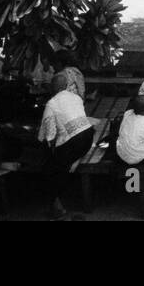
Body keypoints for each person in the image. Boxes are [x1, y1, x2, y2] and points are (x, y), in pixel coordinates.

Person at [39, 72, 99, 217]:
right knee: (62, 157)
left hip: (74, 144)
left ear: (52, 89)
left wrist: (46, 143)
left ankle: (56, 205)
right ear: (66, 86)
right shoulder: (76, 97)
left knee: (49, 168)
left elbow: (49, 136)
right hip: (88, 137)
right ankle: (72, 160)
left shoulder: (51, 104)